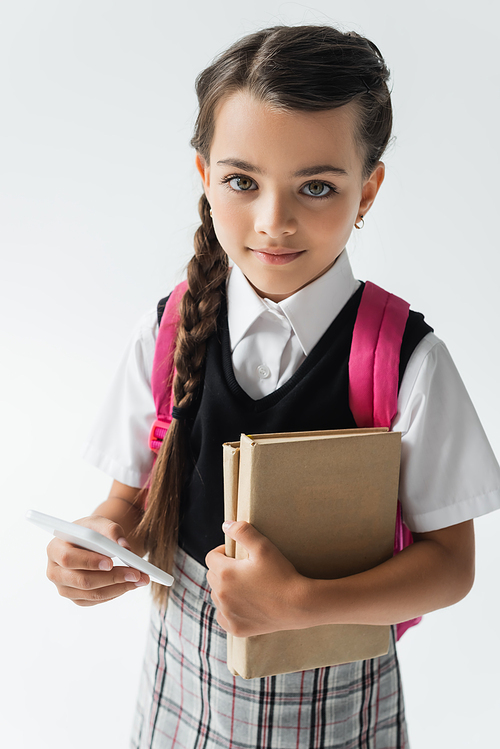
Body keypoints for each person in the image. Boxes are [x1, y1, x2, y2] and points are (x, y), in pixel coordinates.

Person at [45, 24, 500, 748]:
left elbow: (450, 567)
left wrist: (303, 604)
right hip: (180, 680)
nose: (273, 221)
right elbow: (126, 502)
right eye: (241, 181)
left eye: (316, 186)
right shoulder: (167, 330)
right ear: (203, 176)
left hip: (336, 693)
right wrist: (99, 543)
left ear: (369, 189)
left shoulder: (404, 359)